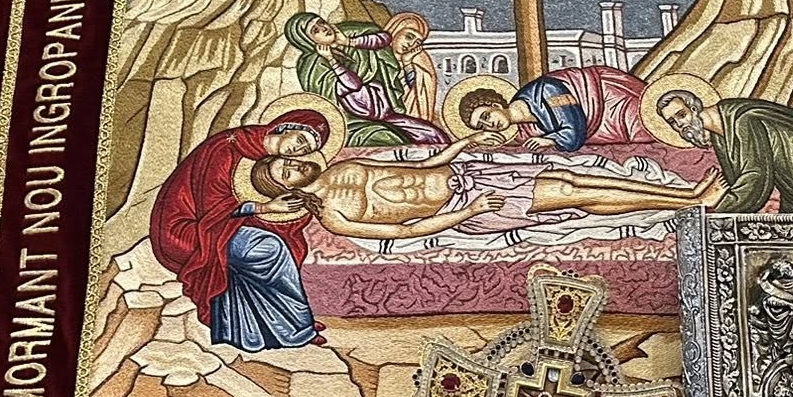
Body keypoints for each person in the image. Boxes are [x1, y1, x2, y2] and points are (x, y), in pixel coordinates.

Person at [250, 136, 714, 243]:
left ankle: (685, 195)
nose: (294, 165)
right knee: (574, 197)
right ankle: (691, 202)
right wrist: (470, 211)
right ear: (285, 190)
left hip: (470, 174)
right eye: (286, 173)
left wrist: (462, 145)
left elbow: (421, 165)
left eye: (288, 161)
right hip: (471, 203)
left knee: (574, 179)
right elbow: (407, 231)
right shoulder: (333, 217)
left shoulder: (346, 165)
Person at [149, 114, 329, 352]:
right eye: (301, 139)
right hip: (187, 230)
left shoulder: (267, 157)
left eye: (305, 150)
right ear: (285, 127)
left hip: (223, 225)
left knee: (287, 245)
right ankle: (297, 325)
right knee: (270, 248)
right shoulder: (226, 148)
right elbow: (211, 211)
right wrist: (266, 208)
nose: (298, 150)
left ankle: (286, 324)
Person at [654, 90, 793, 214]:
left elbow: (755, 178)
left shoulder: (742, 119)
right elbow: (739, 182)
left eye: (681, 115)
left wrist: (718, 210)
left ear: (695, 108)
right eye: (672, 122)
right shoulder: (720, 136)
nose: (680, 125)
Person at [284, 12, 445, 147]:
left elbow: (383, 38)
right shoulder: (313, 65)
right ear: (307, 40)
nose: (324, 28)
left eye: (321, 23)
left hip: (384, 112)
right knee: (389, 139)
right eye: (315, 30)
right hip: (353, 123)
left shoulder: (347, 32)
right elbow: (351, 88)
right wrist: (331, 60)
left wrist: (348, 42)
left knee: (434, 136)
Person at [459, 65, 654, 151]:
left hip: (610, 101)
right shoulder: (524, 130)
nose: (489, 125)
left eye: (486, 116)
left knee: (645, 135)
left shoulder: (547, 91)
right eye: (482, 126)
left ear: (496, 105)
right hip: (599, 126)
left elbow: (574, 127)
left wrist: (550, 140)